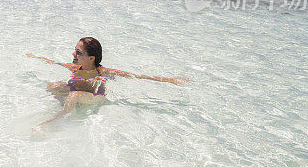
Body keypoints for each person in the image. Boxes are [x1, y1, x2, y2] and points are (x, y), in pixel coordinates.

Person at [28, 37, 188, 129]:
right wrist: (34, 56)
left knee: (74, 94)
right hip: (76, 95)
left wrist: (171, 80)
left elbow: (137, 76)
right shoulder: (74, 68)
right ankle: (72, 110)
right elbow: (51, 62)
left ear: (92, 58)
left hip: (94, 97)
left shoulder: (103, 71)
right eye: (74, 49)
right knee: (53, 86)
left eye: (78, 52)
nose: (73, 53)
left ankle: (55, 121)